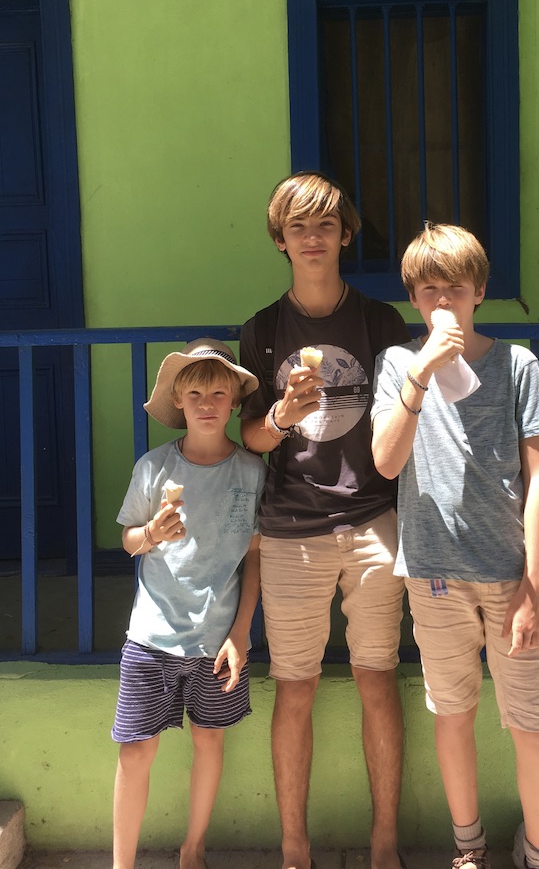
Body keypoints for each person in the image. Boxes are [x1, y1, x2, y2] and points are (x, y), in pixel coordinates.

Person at [371, 225, 539, 869]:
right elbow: (386, 463)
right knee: (453, 714)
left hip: (511, 576)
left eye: (456, 287)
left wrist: (533, 585)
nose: (443, 301)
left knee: (533, 724)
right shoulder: (397, 365)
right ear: (412, 298)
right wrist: (422, 372)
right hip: (434, 575)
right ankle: (468, 849)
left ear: (480, 291)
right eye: (429, 290)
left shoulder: (517, 365)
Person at [239, 172, 412, 869]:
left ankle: (385, 844)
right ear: (281, 241)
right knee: (295, 687)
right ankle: (294, 851)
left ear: (345, 236)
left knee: (377, 678)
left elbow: (404, 423)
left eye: (326, 226)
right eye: (298, 228)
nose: (313, 238)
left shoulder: (380, 323)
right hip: (290, 529)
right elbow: (249, 438)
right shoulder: (261, 331)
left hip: (374, 521)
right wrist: (281, 415)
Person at [111, 339, 267, 869]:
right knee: (136, 749)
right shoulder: (153, 468)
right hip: (151, 635)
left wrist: (241, 632)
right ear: (178, 400)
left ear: (234, 401)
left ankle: (192, 850)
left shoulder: (252, 472)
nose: (206, 403)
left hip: (218, 639)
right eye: (195, 393)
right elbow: (129, 540)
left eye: (218, 393)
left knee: (209, 739)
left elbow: (254, 557)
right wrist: (151, 534)